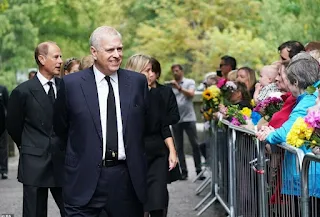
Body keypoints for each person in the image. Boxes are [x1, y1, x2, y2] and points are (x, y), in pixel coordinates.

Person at [53, 26, 148, 217]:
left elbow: (145, 127)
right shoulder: (71, 85)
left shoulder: (137, 83)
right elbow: (61, 129)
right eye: (110, 50)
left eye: (119, 49)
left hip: (126, 181)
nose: (116, 55)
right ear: (94, 52)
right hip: (83, 179)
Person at [6, 41, 65, 217]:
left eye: (61, 56)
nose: (60, 61)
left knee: (72, 210)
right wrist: (29, 146)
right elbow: (13, 126)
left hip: (62, 160)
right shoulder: (22, 91)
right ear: (41, 59)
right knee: (34, 212)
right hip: (34, 161)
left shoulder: (65, 87)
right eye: (56, 57)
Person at [257, 53, 320, 216]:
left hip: (309, 176)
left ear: (296, 82)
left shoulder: (308, 100)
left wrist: (269, 135)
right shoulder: (311, 95)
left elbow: (286, 133)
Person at [125, 54, 178, 217]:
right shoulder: (122, 96)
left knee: (157, 199)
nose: (150, 74)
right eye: (146, 70)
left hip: (157, 153)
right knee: (136, 202)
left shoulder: (157, 95)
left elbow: (163, 126)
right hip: (133, 153)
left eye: (151, 70)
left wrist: (172, 151)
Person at [169, 64, 204, 180]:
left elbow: (191, 94)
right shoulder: (170, 86)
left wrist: (178, 88)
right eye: (173, 71)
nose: (175, 73)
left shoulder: (189, 82)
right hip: (176, 119)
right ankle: (183, 171)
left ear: (182, 71)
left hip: (189, 118)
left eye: (177, 70)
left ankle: (198, 170)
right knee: (179, 147)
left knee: (195, 144)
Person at [0, 84, 8, 180]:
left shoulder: (3, 89)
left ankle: (3, 170)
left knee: (3, 149)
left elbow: (8, 106)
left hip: (2, 125)